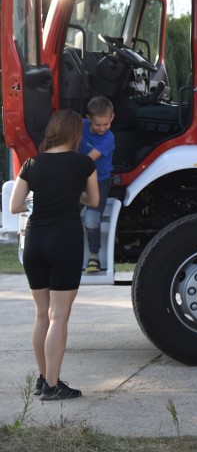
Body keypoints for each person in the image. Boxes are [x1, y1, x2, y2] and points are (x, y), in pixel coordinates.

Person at [9, 109, 99, 401]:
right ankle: (52, 385)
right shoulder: (84, 164)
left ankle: (43, 379)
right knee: (59, 317)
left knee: (41, 315)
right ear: (75, 134)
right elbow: (94, 200)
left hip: (35, 241)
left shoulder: (31, 163)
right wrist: (74, 194)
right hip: (65, 240)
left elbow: (15, 206)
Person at [79, 96, 115, 273]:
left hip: (99, 181)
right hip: (78, 179)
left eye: (106, 124)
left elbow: (88, 160)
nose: (102, 129)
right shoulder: (80, 125)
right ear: (89, 118)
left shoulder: (108, 138)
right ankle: (69, 254)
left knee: (92, 219)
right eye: (97, 125)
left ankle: (94, 256)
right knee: (68, 215)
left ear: (112, 118)